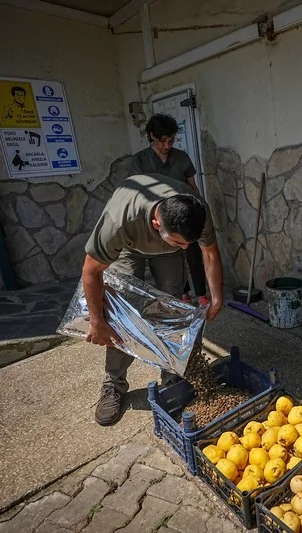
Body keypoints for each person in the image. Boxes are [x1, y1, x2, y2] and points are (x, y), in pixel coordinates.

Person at [82, 173, 224, 426]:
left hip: (164, 248)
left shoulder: (196, 213)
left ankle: (172, 377)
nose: (186, 248)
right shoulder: (119, 221)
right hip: (128, 246)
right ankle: (114, 383)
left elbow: (210, 255)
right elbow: (91, 271)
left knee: (171, 308)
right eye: (181, 243)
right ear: (157, 223)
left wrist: (216, 298)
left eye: (188, 243)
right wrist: (96, 321)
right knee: (121, 312)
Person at [130, 113, 208, 305]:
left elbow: (192, 186)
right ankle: (184, 294)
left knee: (193, 252)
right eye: (162, 140)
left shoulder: (181, 157)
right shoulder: (140, 160)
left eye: (171, 140)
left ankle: (202, 294)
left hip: (185, 213)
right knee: (172, 257)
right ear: (151, 136)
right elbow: (136, 192)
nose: (167, 145)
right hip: (159, 218)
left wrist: (201, 208)